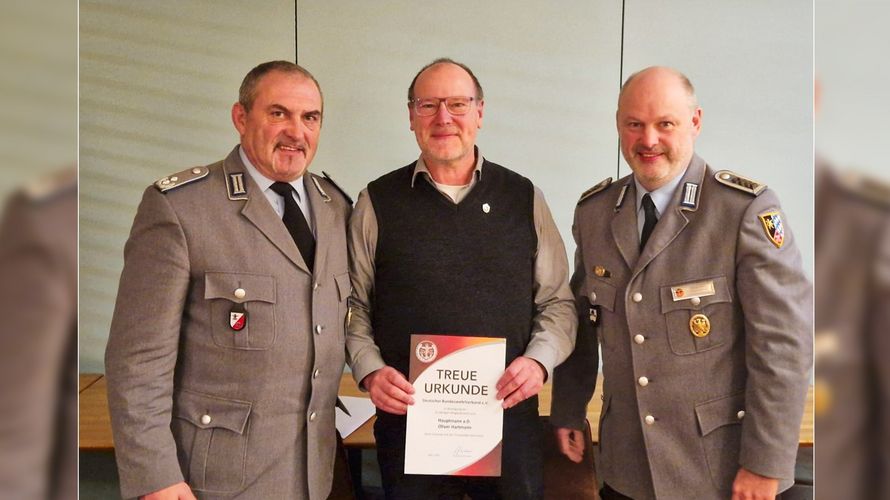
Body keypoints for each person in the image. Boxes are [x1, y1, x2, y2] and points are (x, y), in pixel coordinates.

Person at [550, 66, 812, 499]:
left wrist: (765, 464)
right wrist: (567, 408)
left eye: (664, 124)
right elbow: (582, 318)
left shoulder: (741, 210)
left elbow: (784, 346)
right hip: (627, 467)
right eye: (634, 124)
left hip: (720, 471)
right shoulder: (595, 213)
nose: (648, 140)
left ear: (695, 122)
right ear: (619, 125)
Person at [105, 61, 352, 499]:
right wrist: (155, 477)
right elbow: (137, 361)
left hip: (320, 471)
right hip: (217, 479)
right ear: (241, 117)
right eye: (278, 113)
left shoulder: (336, 207)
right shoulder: (182, 209)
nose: (296, 132)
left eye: (309, 117)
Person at [345, 57, 577, 499]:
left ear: (480, 112)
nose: (443, 118)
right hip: (410, 431)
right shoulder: (375, 202)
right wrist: (370, 371)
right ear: (410, 115)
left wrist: (539, 362)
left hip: (508, 426)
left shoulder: (524, 197)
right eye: (428, 105)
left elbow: (557, 303)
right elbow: (354, 305)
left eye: (457, 104)